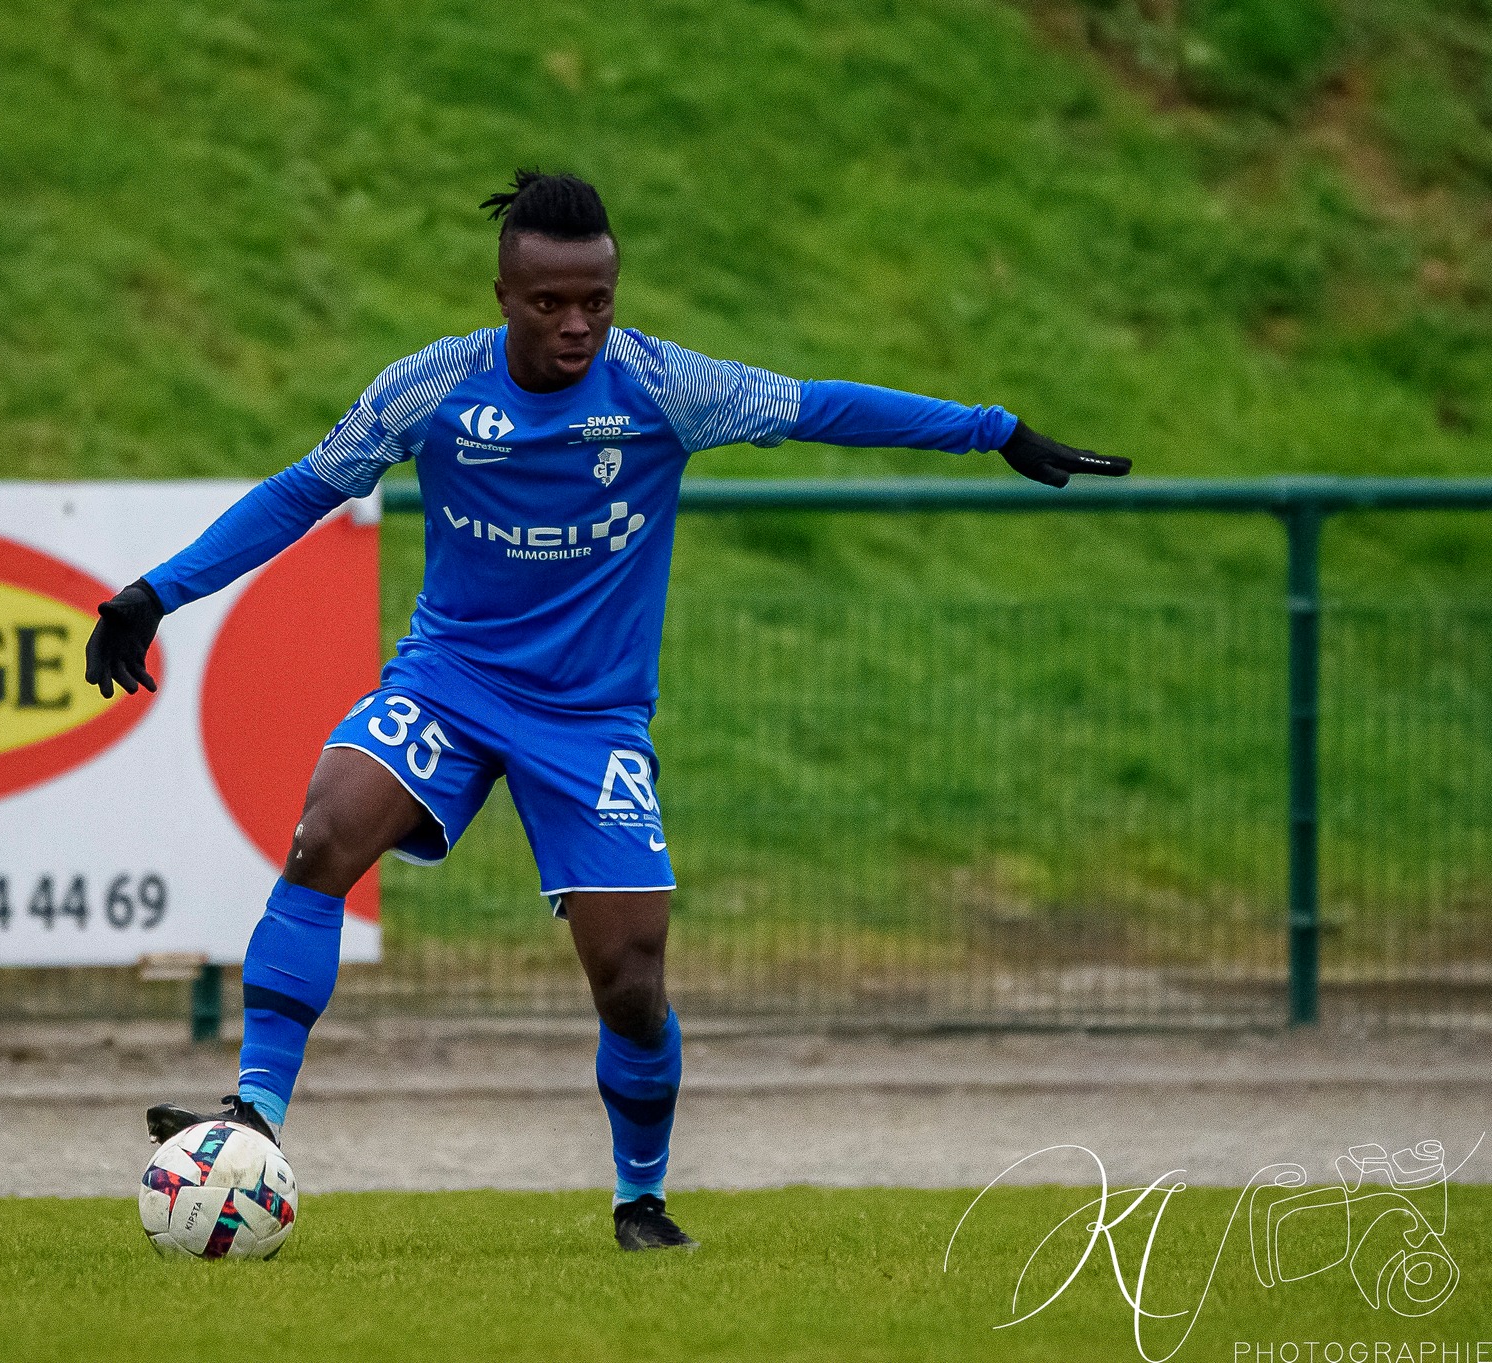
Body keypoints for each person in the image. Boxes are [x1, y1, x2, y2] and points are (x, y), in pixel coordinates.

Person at [85, 170, 1130, 1251]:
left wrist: (991, 430)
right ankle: (255, 1112)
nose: (577, 324)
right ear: (502, 295)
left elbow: (820, 404)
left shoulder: (664, 386)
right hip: (448, 682)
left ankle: (641, 1196)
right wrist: (156, 593)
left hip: (590, 721)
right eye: (550, 303)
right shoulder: (432, 387)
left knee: (630, 978)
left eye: (596, 300)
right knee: (323, 833)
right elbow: (302, 489)